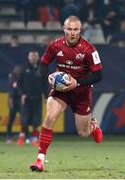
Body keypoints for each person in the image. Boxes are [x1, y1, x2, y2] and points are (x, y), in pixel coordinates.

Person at [30, 15, 103, 171]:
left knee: (83, 133)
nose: (72, 32)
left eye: (75, 29)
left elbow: (98, 76)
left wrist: (78, 82)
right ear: (64, 29)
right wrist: (48, 76)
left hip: (81, 93)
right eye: (69, 29)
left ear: (80, 30)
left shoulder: (89, 49)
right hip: (60, 91)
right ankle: (39, 160)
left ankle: (93, 126)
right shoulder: (55, 46)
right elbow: (42, 66)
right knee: (50, 116)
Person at [17, 50, 48, 146]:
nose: (33, 58)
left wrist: (46, 96)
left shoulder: (41, 69)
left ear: (38, 57)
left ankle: (35, 138)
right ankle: (22, 136)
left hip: (37, 98)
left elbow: (44, 84)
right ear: (28, 57)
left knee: (36, 119)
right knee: (24, 119)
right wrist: (22, 94)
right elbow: (19, 84)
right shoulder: (23, 68)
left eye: (35, 56)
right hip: (26, 98)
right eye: (32, 56)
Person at [6, 65, 21, 144]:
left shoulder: (21, 78)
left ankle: (25, 136)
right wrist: (10, 101)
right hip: (13, 101)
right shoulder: (12, 77)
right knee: (11, 119)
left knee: (24, 119)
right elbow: (11, 90)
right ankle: (8, 136)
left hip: (20, 101)